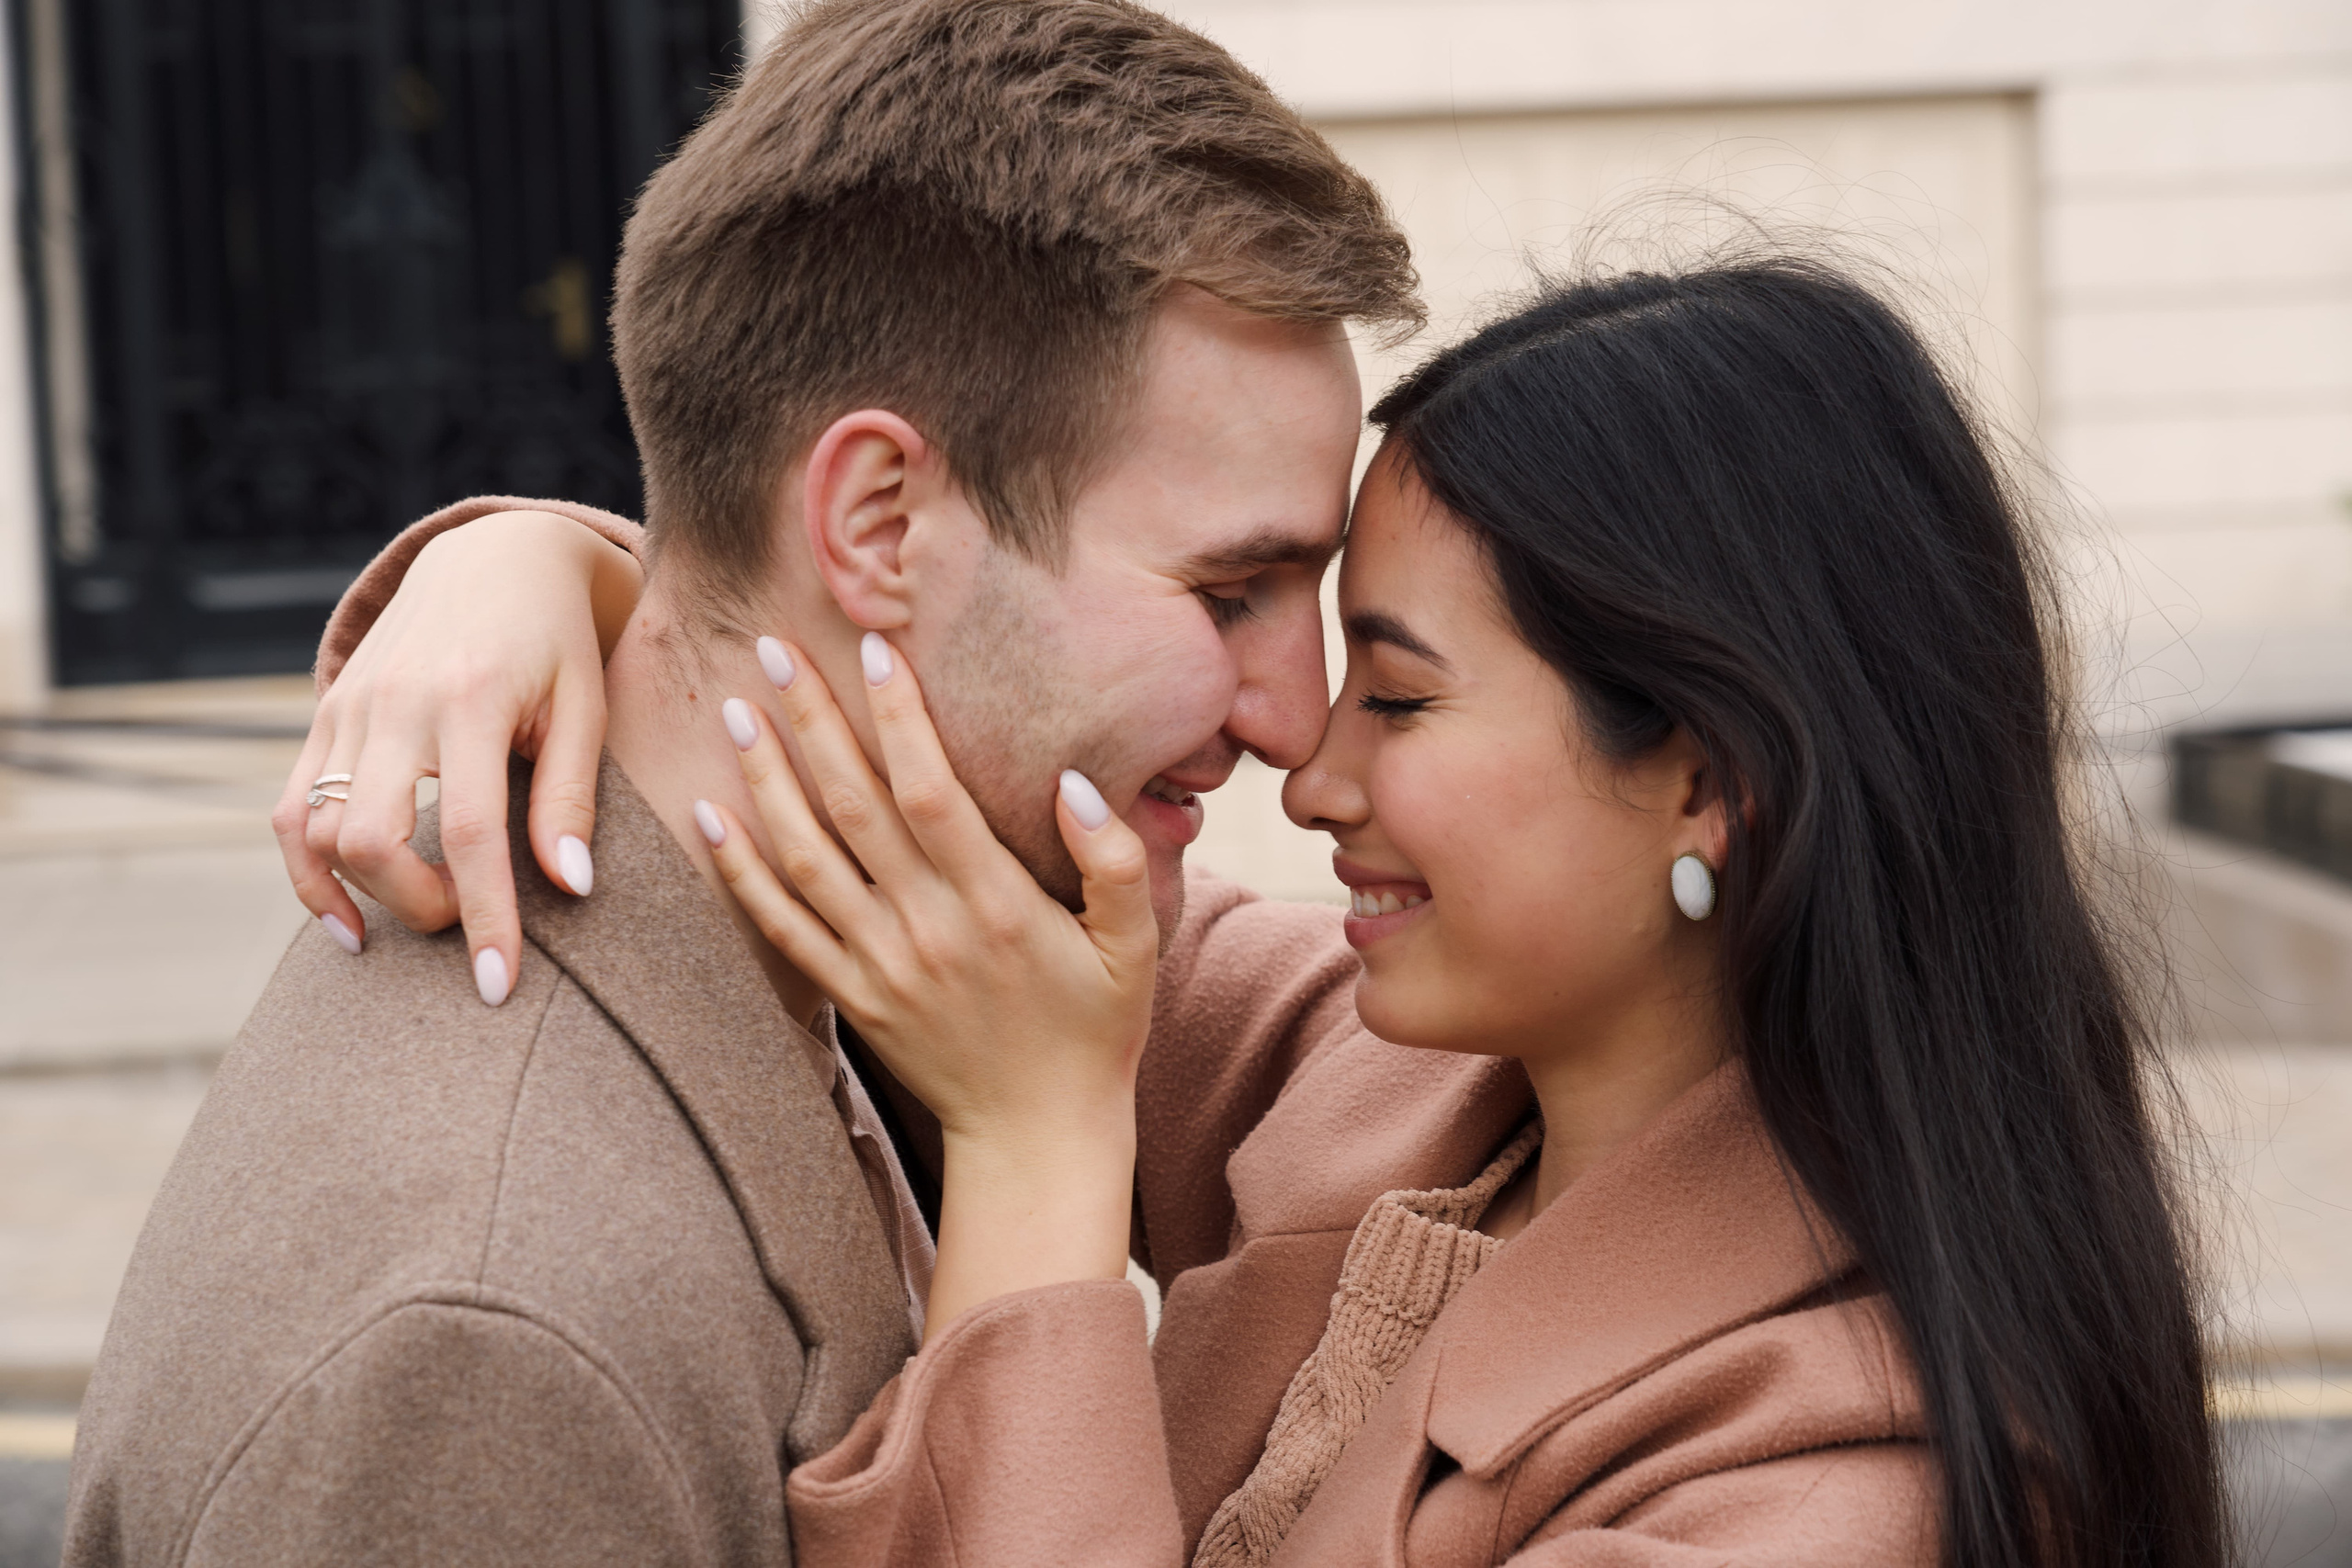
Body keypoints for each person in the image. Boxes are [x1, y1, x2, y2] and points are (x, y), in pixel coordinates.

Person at [269, 261, 2225, 1566]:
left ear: (1706, 770)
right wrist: (545, 573)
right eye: (1246, 609)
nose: (1304, 758)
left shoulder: (1822, 1476)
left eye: (1395, 689)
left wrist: (1040, 1158)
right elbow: (893, 804)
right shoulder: (1390, 1081)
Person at [61, 4, 1415, 1563]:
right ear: (880, 524)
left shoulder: (842, 931)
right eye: (1234, 590)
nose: (1301, 721)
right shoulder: (492, 1348)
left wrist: (549, 550)